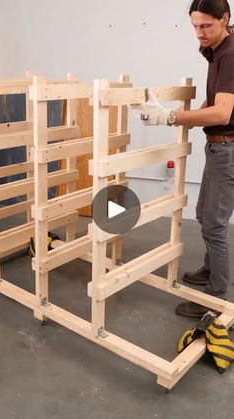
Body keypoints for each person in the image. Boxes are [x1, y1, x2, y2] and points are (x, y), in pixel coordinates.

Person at [131, 0, 234, 317]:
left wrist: (169, 118)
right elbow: (214, 98)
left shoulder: (229, 54)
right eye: (195, 26)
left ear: (225, 18)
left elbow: (222, 111)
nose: (199, 33)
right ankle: (210, 271)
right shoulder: (217, 48)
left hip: (228, 147)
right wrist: (183, 115)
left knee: (214, 226)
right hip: (219, 146)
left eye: (206, 26)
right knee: (204, 214)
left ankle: (216, 300)